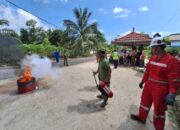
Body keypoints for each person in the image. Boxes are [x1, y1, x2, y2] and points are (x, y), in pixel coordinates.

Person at [130, 36, 180, 130]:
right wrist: (143, 81)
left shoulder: (172, 61)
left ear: (158, 47)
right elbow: (147, 72)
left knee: (159, 109)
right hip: (149, 85)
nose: (152, 49)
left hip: (161, 89)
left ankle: (159, 127)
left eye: (153, 47)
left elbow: (174, 79)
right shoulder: (153, 58)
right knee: (144, 102)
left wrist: (172, 93)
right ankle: (142, 117)